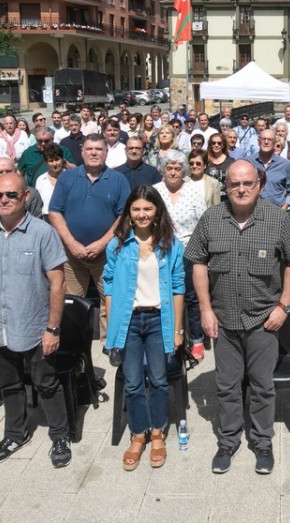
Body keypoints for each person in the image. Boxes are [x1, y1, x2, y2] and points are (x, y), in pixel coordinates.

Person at [185, 160, 290, 475]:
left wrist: (283, 305)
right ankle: (228, 441)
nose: (241, 189)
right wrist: (206, 309)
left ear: (260, 186)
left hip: (262, 322)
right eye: (234, 183)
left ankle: (262, 442)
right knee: (226, 386)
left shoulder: (277, 220)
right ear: (225, 186)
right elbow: (198, 262)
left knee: (263, 386)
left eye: (248, 183)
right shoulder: (212, 219)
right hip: (224, 321)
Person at [0, 172, 72, 468]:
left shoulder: (42, 232)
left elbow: (57, 283)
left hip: (35, 327)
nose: (4, 200)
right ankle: (15, 432)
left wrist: (52, 328)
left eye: (11, 195)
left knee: (45, 382)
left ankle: (60, 435)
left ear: (26, 197)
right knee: (8, 384)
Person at [105, 186, 186, 470]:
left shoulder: (171, 245)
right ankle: (138, 433)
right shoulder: (117, 244)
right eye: (136, 209)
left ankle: (157, 431)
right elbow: (109, 284)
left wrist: (177, 330)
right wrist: (110, 323)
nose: (141, 214)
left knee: (160, 379)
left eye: (147, 209)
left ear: (157, 212)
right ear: (129, 212)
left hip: (158, 320)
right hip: (128, 321)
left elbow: (178, 288)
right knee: (133, 381)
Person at [48, 135, 130, 341]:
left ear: (106, 153)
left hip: (107, 254)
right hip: (72, 256)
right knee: (72, 302)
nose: (94, 153)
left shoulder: (118, 179)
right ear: (82, 153)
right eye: (89, 149)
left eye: (99, 149)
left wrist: (102, 243)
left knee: (110, 300)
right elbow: (54, 212)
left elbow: (124, 216)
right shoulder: (67, 177)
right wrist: (72, 243)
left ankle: (110, 343)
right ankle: (75, 344)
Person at [154, 150, 210, 361]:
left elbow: (203, 224)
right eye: (169, 168)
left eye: (178, 168)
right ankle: (168, 336)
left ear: (183, 170)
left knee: (191, 297)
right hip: (161, 252)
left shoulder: (193, 191)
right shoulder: (155, 191)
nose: (174, 172)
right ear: (163, 169)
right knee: (164, 297)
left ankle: (196, 339)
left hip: (189, 252)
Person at [0, 158, 45, 225]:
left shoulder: (32, 194)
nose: (5, 174)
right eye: (0, 172)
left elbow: (37, 225)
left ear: (15, 171)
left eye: (8, 171)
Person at [251, 129, 290, 211]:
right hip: (252, 211)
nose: (266, 142)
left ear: (275, 143)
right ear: (258, 142)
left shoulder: (285, 165)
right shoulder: (248, 162)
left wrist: (285, 207)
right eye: (263, 139)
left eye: (270, 139)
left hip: (276, 212)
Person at [34, 145, 67, 211]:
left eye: (57, 159)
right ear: (46, 162)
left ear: (62, 160)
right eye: (51, 161)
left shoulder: (71, 177)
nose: (54, 164)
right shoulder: (41, 180)